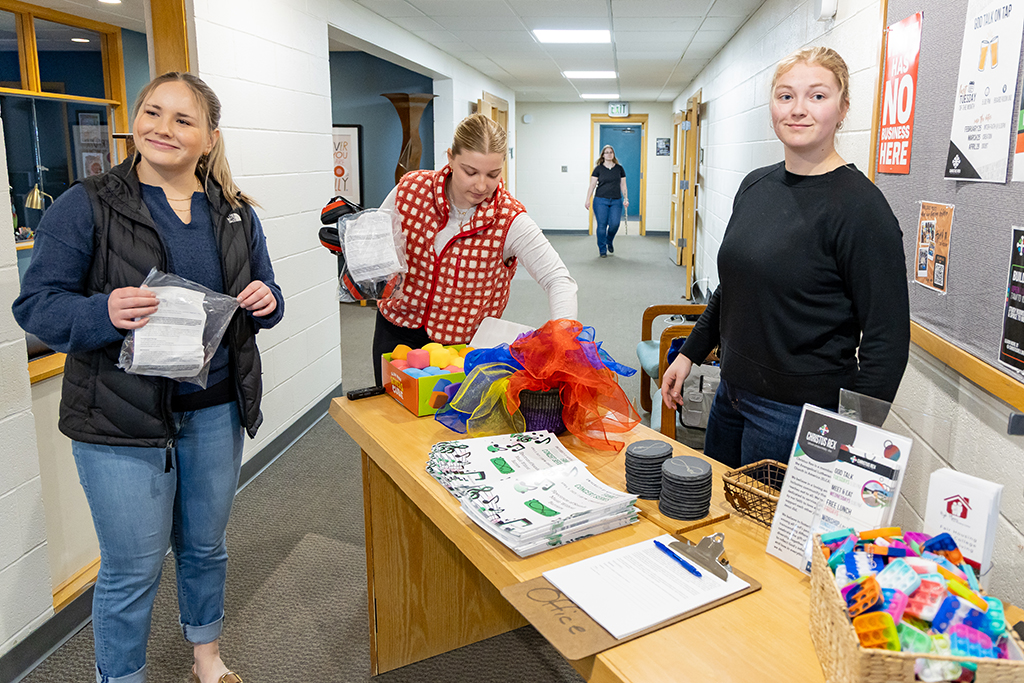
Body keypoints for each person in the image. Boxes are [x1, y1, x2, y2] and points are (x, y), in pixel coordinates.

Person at [13, 72, 283, 683]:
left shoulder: (235, 213)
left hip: (215, 410)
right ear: (135, 119)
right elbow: (36, 308)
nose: (163, 129)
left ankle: (205, 658)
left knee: (205, 547)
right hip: (119, 416)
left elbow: (264, 294)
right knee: (132, 567)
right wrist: (101, 311)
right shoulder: (84, 205)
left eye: (183, 120)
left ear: (210, 138)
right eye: (152, 112)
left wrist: (269, 302)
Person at [660, 46, 910, 470]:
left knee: (769, 535)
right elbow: (734, 288)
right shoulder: (755, 186)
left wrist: (852, 441)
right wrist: (690, 353)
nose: (798, 109)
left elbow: (887, 343)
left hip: (798, 417)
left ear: (843, 107)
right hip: (731, 395)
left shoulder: (862, 210)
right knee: (718, 519)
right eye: (785, 95)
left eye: (817, 96)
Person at [371, 113, 578, 385]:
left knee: (443, 425)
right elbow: (373, 242)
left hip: (461, 349)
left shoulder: (509, 219)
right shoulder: (410, 190)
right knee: (388, 420)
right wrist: (346, 237)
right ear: (450, 158)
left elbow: (558, 279)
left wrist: (563, 337)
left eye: (493, 174)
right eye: (470, 172)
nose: (482, 185)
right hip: (396, 333)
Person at [583, 144, 628, 257]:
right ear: (603, 155)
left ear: (613, 154)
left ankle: (609, 240)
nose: (609, 154)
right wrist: (588, 199)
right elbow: (592, 185)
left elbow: (623, 185)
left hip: (616, 201)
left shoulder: (619, 169)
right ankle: (602, 250)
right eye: (606, 152)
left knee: (614, 224)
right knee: (602, 225)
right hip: (600, 200)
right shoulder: (598, 169)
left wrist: (626, 198)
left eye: (611, 152)